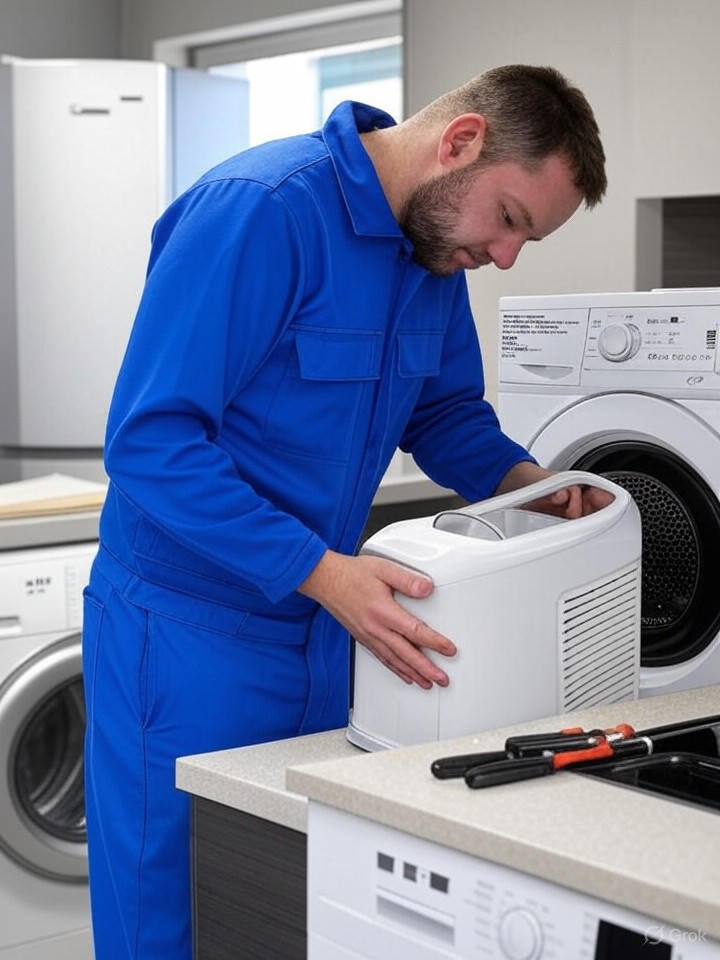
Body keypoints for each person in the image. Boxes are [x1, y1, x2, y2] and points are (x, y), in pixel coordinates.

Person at [82, 63, 608, 957]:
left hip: (325, 628)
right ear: (461, 142)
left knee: (291, 904)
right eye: (511, 220)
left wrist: (528, 483)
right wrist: (323, 573)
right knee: (170, 917)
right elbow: (151, 444)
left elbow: (442, 414)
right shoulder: (262, 210)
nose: (505, 257)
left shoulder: (433, 253)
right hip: (186, 637)